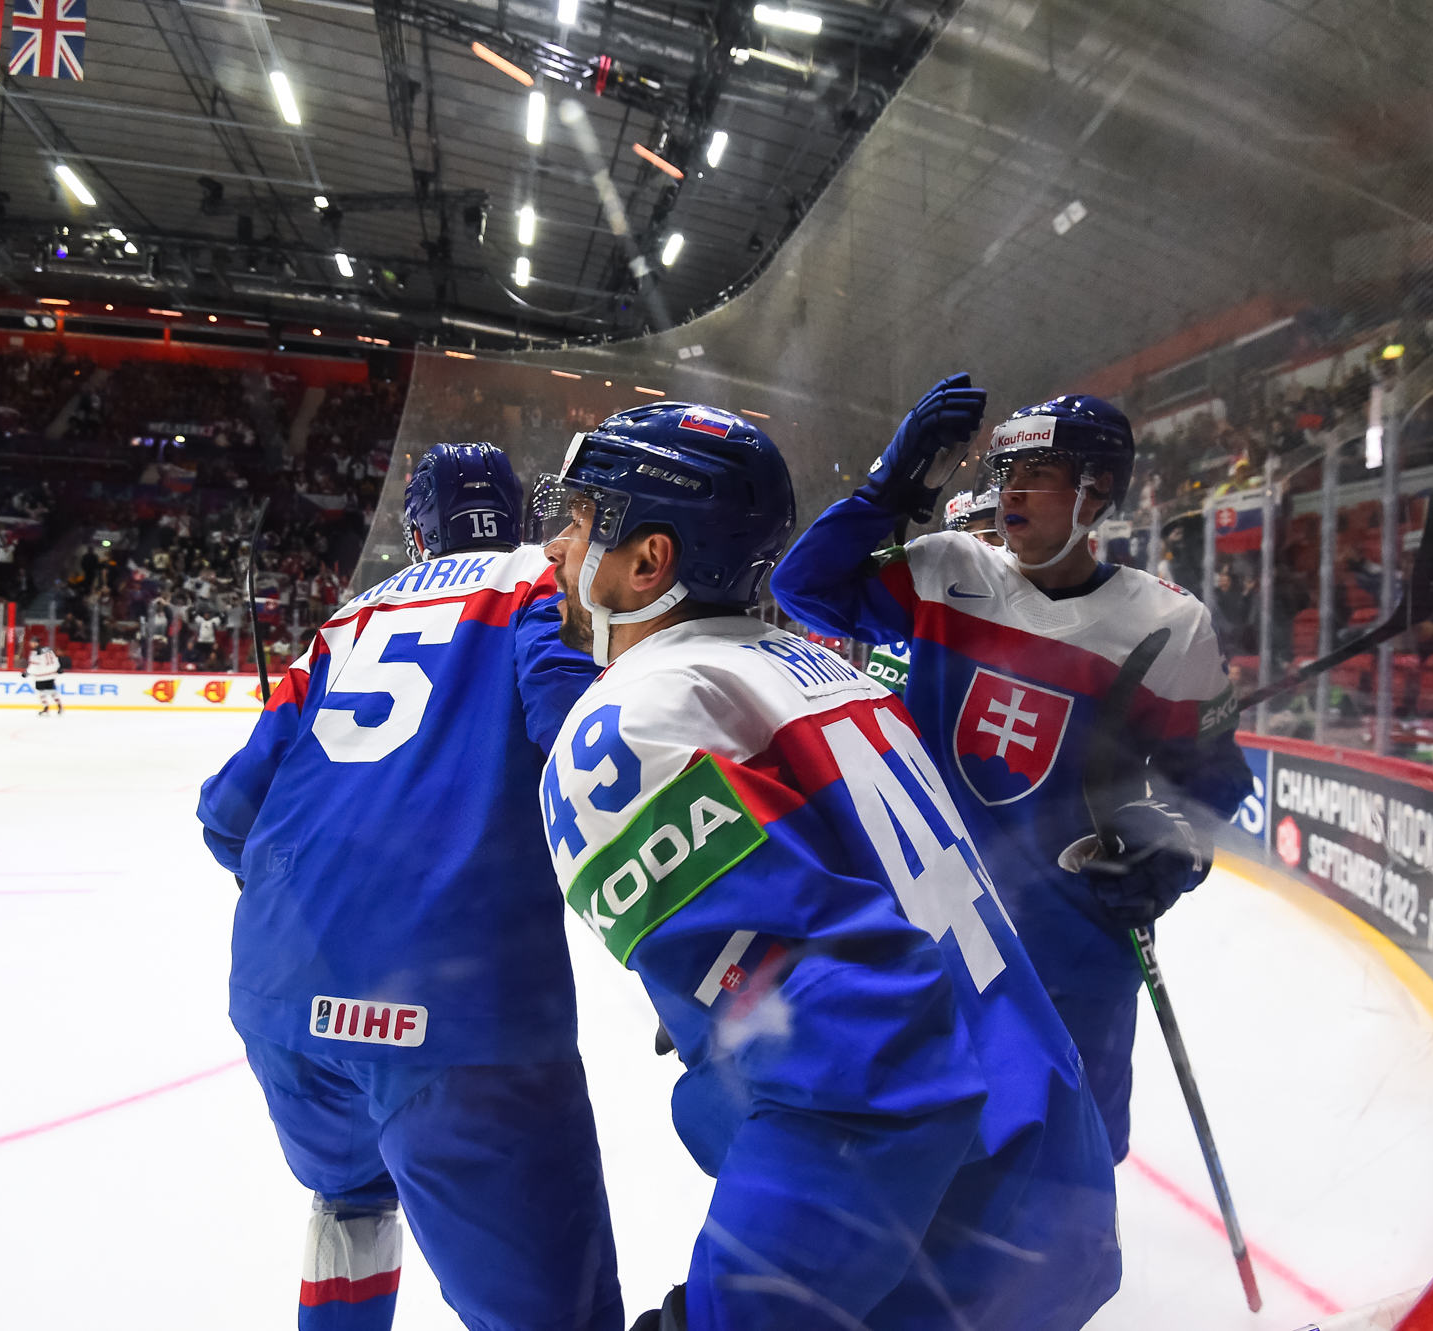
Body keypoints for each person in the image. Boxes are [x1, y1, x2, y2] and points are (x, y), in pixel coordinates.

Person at [534, 402, 1119, 1331]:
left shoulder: (628, 725)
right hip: (1049, 1167)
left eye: (577, 523)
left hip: (928, 1244)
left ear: (649, 561)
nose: (556, 553)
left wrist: (731, 1315)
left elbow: (865, 1069)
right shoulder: (827, 671)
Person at [771, 376, 1254, 1165]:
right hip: (938, 927)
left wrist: (1169, 856)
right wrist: (893, 480)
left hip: (1075, 943)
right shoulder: (946, 570)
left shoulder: (1170, 624)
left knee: (1073, 1162)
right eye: (1003, 474)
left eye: (1036, 476)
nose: (1009, 495)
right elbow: (804, 586)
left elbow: (1214, 781)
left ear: (1096, 492)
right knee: (937, 1148)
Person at [196, 443, 620, 1331]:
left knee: (350, 1200)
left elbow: (228, 813)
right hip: (453, 1010)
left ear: (416, 527)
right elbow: (577, 741)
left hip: (281, 1000)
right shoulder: (539, 584)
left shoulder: (352, 617)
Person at [26, 641, 63, 715]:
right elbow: (55, 660)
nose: (31, 644)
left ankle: (46, 707)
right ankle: (59, 705)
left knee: (41, 692)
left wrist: (27, 672)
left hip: (41, 675)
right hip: (51, 674)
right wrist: (57, 668)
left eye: (33, 643)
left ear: (37, 643)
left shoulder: (35, 653)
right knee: (52, 690)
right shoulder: (48, 650)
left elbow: (34, 665)